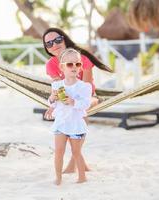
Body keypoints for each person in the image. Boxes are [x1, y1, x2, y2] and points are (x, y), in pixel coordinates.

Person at [42, 27, 112, 174]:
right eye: (49, 44)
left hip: (87, 95)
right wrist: (54, 105)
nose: (54, 45)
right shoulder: (51, 65)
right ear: (46, 48)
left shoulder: (82, 58)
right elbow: (57, 88)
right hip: (66, 98)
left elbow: (86, 87)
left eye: (57, 40)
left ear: (64, 38)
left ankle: (73, 162)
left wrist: (76, 102)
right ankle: (81, 164)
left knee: (81, 112)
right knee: (71, 115)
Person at [48, 48, 92, 185]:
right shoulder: (56, 85)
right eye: (69, 64)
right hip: (61, 123)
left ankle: (82, 177)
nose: (74, 67)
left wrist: (73, 102)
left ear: (80, 67)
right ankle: (58, 177)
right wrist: (52, 99)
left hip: (76, 124)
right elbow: (52, 103)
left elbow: (86, 104)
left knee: (76, 152)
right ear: (62, 67)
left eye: (77, 64)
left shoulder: (84, 86)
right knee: (59, 152)